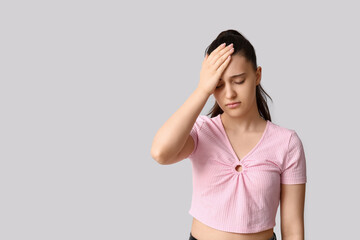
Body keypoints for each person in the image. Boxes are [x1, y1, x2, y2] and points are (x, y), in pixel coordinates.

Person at [151, 29, 307, 240]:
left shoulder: (286, 143)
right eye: (218, 85)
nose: (230, 94)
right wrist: (202, 90)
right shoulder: (201, 131)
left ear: (257, 75)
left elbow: (293, 227)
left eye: (239, 81)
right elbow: (161, 153)